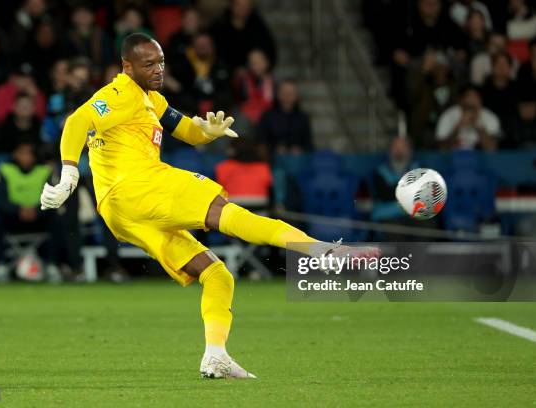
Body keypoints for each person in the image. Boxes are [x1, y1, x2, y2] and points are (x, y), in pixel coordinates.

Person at [40, 33, 379, 379]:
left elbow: (185, 129)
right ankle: (324, 253)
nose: (158, 69)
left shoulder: (150, 100)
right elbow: (76, 122)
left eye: (161, 62)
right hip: (139, 187)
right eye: (149, 64)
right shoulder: (119, 92)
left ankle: (215, 355)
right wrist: (69, 173)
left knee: (217, 274)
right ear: (127, 67)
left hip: (122, 212)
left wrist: (208, 132)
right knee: (227, 213)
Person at [0, 142, 61, 282]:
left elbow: (52, 198)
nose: (26, 157)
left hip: (38, 217)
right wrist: (18, 210)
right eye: (22, 153)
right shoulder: (6, 170)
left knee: (56, 220)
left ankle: (52, 265)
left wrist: (35, 211)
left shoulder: (43, 172)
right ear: (15, 155)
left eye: (28, 153)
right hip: (13, 218)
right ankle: (0, 266)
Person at [435, 86, 501, 150]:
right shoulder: (448, 115)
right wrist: (458, 127)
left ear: (481, 100)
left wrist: (478, 126)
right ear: (461, 100)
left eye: (475, 97)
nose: (471, 101)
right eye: (468, 97)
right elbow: (443, 149)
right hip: (453, 159)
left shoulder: (490, 117)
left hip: (481, 159)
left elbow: (491, 149)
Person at [258, 79, 313, 155]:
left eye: (291, 93)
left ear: (297, 95)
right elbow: (261, 142)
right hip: (273, 160)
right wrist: (274, 149)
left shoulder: (303, 118)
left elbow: (309, 145)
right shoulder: (267, 116)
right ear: (278, 94)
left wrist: (300, 150)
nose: (287, 95)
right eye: (284, 92)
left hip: (297, 161)